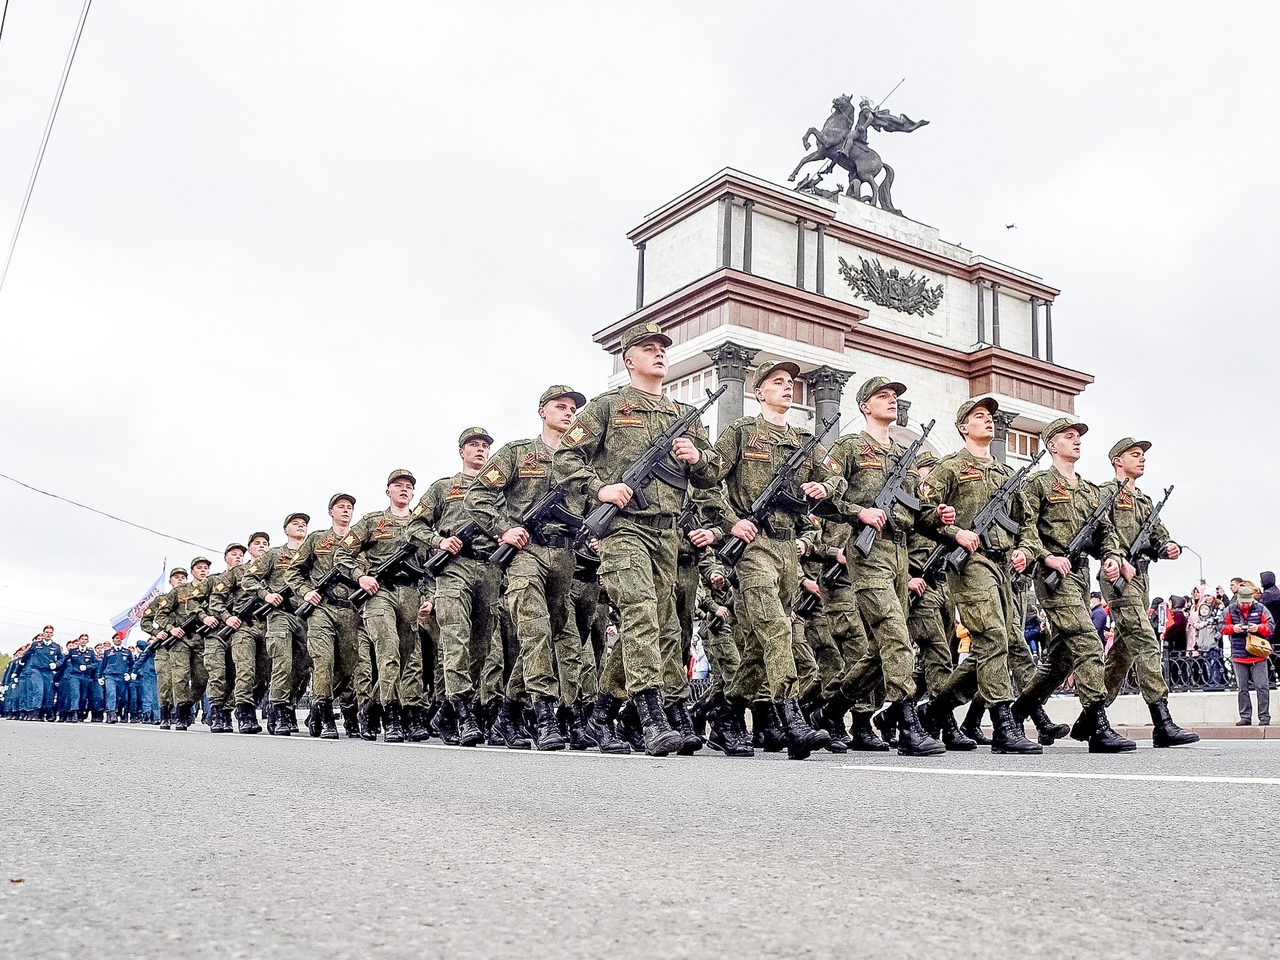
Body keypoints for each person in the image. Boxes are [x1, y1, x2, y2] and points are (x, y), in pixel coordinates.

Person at [554, 321, 722, 757]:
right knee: (642, 614)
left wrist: (698, 457)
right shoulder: (607, 407)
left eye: (663, 348)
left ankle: (599, 719)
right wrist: (600, 489)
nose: (660, 354)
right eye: (649, 349)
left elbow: (715, 472)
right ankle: (651, 719)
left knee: (651, 625)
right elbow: (566, 457)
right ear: (629, 360)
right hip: (624, 527)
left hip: (667, 531)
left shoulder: (682, 415)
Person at [700, 360, 842, 760]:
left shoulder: (803, 441)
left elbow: (838, 477)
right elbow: (707, 480)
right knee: (777, 629)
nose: (787, 387)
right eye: (777, 382)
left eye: (791, 383)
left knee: (765, 645)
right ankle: (790, 716)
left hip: (788, 550)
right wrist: (731, 522)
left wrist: (824, 485)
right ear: (758, 391)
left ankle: (727, 715)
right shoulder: (741, 433)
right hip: (755, 548)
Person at [821, 378, 946, 756]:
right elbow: (829, 493)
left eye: (894, 398)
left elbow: (918, 512)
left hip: (900, 554)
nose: (891, 402)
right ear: (864, 405)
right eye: (883, 397)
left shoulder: (903, 456)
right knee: (894, 634)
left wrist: (940, 517)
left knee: (881, 649)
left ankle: (833, 709)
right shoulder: (849, 447)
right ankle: (907, 724)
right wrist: (860, 511)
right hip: (867, 551)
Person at [466, 387, 591, 751]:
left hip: (565, 556)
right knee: (535, 631)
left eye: (572, 409)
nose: (568, 413)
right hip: (525, 554)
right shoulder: (519, 453)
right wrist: (504, 527)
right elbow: (478, 496)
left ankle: (507, 714)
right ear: (542, 412)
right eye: (560, 407)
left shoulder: (580, 461)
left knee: (552, 634)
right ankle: (545, 714)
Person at [915, 396, 1041, 754]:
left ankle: (934, 712)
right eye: (979, 416)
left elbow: (1027, 523)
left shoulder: (1005, 474)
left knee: (991, 645)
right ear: (963, 427)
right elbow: (922, 511)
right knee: (995, 637)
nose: (988, 421)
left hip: (1005, 566)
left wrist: (1025, 551)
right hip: (970, 563)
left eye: (990, 416)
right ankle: (1004, 724)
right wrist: (954, 531)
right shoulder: (949, 467)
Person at [1012, 418, 1134, 753]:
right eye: (1069, 437)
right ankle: (1097, 725)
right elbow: (1026, 529)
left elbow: (1106, 533)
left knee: (1061, 658)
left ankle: (1016, 712)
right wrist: (1045, 557)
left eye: (1078, 437)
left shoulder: (1090, 490)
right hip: (1053, 577)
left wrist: (1111, 555)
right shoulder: (1038, 485)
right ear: (1052, 445)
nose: (1077, 441)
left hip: (1080, 576)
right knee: (1087, 641)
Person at [419, 430, 504, 747]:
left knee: (481, 648)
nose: (480, 450)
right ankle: (465, 716)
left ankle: (445, 713)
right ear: (461, 451)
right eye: (474, 446)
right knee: (456, 640)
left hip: (490, 569)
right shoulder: (443, 488)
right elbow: (416, 525)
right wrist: (438, 541)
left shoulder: (499, 491)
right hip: (454, 569)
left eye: (485, 447)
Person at [335, 470, 432, 743]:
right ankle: (391, 714)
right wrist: (360, 576)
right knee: (389, 652)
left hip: (411, 592)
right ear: (388, 491)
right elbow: (342, 554)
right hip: (380, 593)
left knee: (410, 658)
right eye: (397, 486)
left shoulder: (421, 525)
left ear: (413, 493)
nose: (403, 490)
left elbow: (431, 568)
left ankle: (382, 709)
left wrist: (430, 596)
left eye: (408, 487)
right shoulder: (373, 522)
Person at [287, 494, 361, 740]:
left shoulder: (359, 539)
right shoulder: (317, 539)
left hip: (350, 611)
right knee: (323, 662)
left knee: (350, 666)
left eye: (349, 507)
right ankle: (326, 714)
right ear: (331, 511)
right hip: (322, 610)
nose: (346, 511)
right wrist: (306, 592)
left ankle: (317, 711)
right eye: (341, 507)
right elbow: (293, 572)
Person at [243, 514, 311, 735]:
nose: (301, 525)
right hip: (280, 614)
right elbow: (248, 580)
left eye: (304, 523)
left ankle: (289, 704)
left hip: (307, 616)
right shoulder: (274, 555)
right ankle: (279, 709)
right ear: (285, 530)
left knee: (304, 668)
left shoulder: (312, 552)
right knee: (283, 662)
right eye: (295, 523)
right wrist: (266, 594)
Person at [200, 543, 247, 733]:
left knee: (238, 674)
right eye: (233, 554)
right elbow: (193, 602)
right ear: (226, 558)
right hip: (216, 632)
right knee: (217, 673)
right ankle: (217, 713)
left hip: (238, 632)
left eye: (240, 555)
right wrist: (205, 617)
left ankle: (227, 710)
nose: (238, 558)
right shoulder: (214, 580)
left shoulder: (249, 577)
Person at [1223, 585, 1274, 726]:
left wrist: (1258, 628)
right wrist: (1233, 628)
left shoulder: (1261, 608)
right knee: (1242, 688)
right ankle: (1245, 717)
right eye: (1243, 601)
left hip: (1258, 654)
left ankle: (1264, 717)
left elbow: (1271, 627)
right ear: (1238, 598)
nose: (1245, 604)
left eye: (1248, 601)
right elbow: (1220, 627)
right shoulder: (1229, 610)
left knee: (1262, 687)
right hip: (1239, 655)